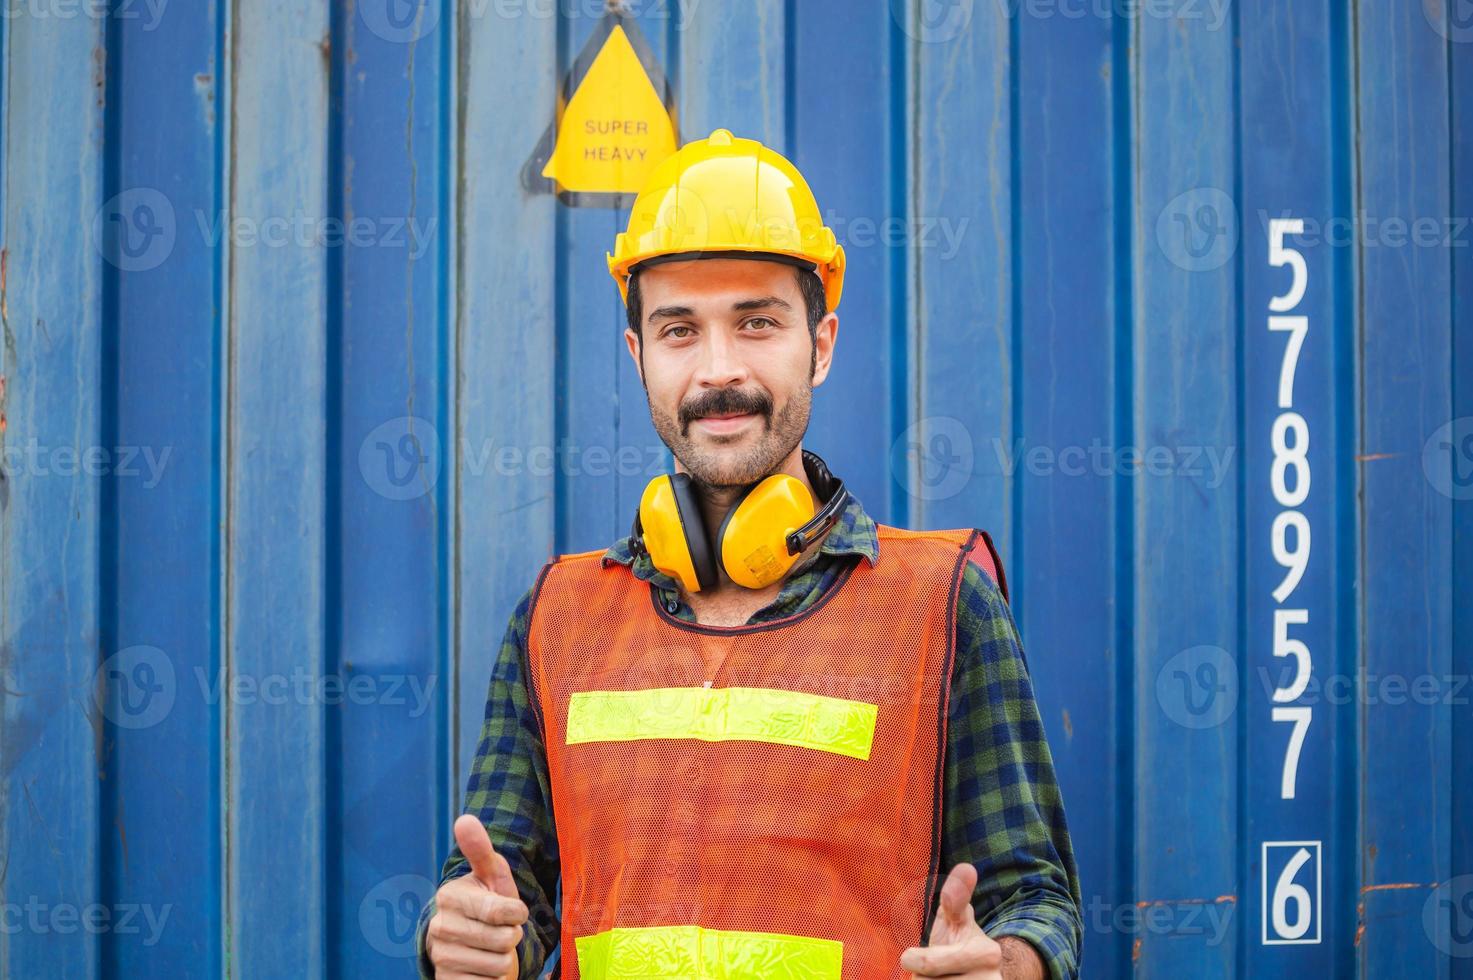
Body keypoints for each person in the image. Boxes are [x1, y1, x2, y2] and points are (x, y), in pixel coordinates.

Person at [417, 129, 1082, 979]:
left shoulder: (942, 604)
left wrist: (1008, 964)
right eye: (679, 330)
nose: (717, 369)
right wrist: (465, 942)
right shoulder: (557, 617)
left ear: (823, 342)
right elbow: (504, 900)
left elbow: (1035, 899)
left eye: (757, 322)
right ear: (639, 356)